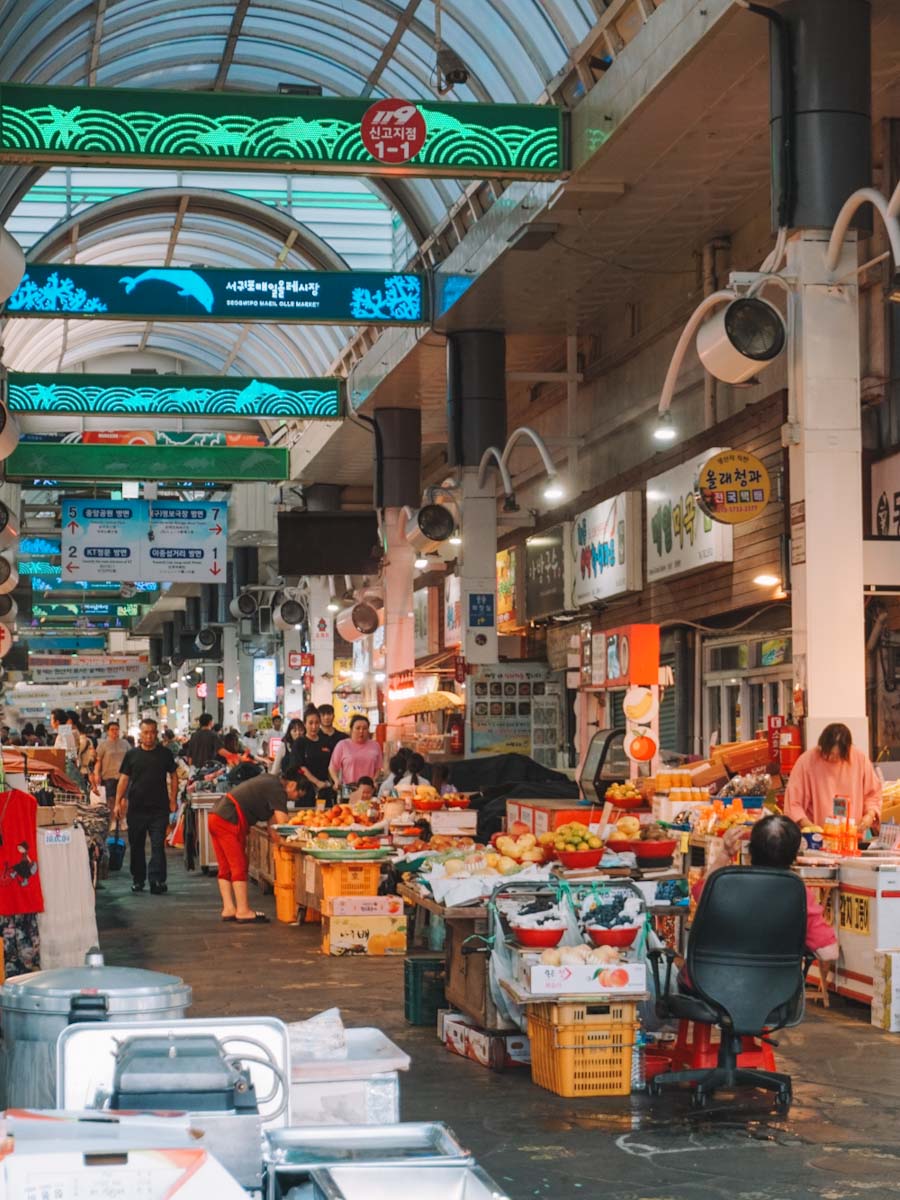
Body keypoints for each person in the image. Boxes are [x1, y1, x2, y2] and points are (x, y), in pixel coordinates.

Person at [686, 813, 838, 987]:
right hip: (774, 996)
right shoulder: (798, 893)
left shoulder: (725, 883)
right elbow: (829, 953)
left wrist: (725, 854)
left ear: (750, 850)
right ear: (795, 856)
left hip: (713, 987)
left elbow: (700, 892)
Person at [208, 767, 302, 923]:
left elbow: (273, 825)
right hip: (230, 818)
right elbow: (283, 823)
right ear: (292, 785)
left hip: (216, 816)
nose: (294, 799)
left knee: (225, 866)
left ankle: (229, 908)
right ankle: (243, 911)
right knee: (239, 865)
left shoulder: (268, 781)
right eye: (297, 794)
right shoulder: (278, 789)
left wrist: (278, 842)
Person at [114, 718, 178, 896]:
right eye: (146, 733)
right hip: (137, 808)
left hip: (159, 808)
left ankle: (156, 880)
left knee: (158, 845)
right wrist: (118, 801)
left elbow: (174, 776)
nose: (149, 736)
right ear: (140, 735)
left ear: (157, 733)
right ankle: (138, 879)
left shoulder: (165, 754)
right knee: (137, 845)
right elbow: (124, 779)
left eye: (152, 732)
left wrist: (173, 799)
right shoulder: (132, 755)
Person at [785, 722, 882, 833]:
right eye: (829, 753)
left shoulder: (859, 759)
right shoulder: (806, 761)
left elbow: (873, 794)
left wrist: (869, 816)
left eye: (838, 755)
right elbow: (793, 803)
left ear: (847, 749)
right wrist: (810, 826)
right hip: (817, 837)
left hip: (853, 836)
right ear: (821, 746)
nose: (832, 758)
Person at [288, 708, 334, 807]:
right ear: (305, 724)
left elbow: (332, 764)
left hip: (324, 788)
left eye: (317, 723)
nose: (314, 726)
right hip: (305, 789)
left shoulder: (326, 740)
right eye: (310, 723)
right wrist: (317, 782)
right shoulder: (300, 742)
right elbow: (300, 766)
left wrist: (331, 782)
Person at [329, 715, 383, 792]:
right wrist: (336, 780)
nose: (361, 731)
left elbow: (378, 768)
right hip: (349, 788)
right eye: (358, 728)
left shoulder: (375, 745)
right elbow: (332, 767)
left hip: (368, 789)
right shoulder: (342, 745)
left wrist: (374, 780)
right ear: (351, 730)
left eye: (365, 728)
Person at [94, 720, 129, 812]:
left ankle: (122, 819)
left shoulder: (125, 743)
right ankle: (112, 820)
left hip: (124, 776)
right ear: (108, 731)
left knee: (123, 799)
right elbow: (98, 761)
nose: (114, 731)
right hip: (108, 776)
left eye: (116, 729)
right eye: (112, 729)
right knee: (111, 799)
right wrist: (96, 774)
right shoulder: (103, 745)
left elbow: (131, 758)